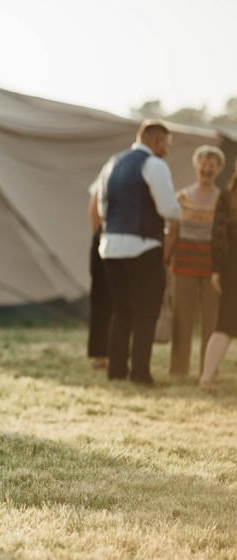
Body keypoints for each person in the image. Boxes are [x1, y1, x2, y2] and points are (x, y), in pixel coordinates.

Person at [97, 120, 181, 385]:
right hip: (143, 246)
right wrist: (181, 211)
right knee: (147, 311)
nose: (167, 150)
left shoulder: (112, 163)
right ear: (156, 142)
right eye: (166, 145)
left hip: (110, 247)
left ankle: (117, 371)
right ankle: (140, 374)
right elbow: (169, 209)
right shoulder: (155, 165)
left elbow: (102, 208)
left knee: (121, 311)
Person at [163, 145, 225, 376]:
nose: (207, 169)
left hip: (213, 270)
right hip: (183, 266)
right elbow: (173, 232)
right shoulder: (181, 197)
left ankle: (209, 369)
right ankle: (178, 369)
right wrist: (165, 260)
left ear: (219, 169)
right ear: (196, 166)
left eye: (212, 165)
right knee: (182, 319)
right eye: (204, 164)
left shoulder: (224, 200)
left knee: (212, 320)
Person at [200, 161, 237, 392]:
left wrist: (217, 269)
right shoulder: (227, 197)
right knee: (224, 326)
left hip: (230, 268)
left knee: (223, 325)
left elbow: (217, 237)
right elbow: (218, 235)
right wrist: (216, 269)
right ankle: (205, 378)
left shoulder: (226, 197)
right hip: (232, 268)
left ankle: (205, 378)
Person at [87, 182, 111, 369]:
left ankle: (117, 351)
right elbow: (95, 216)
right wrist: (101, 237)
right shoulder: (102, 185)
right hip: (105, 245)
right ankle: (100, 353)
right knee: (102, 301)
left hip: (123, 247)